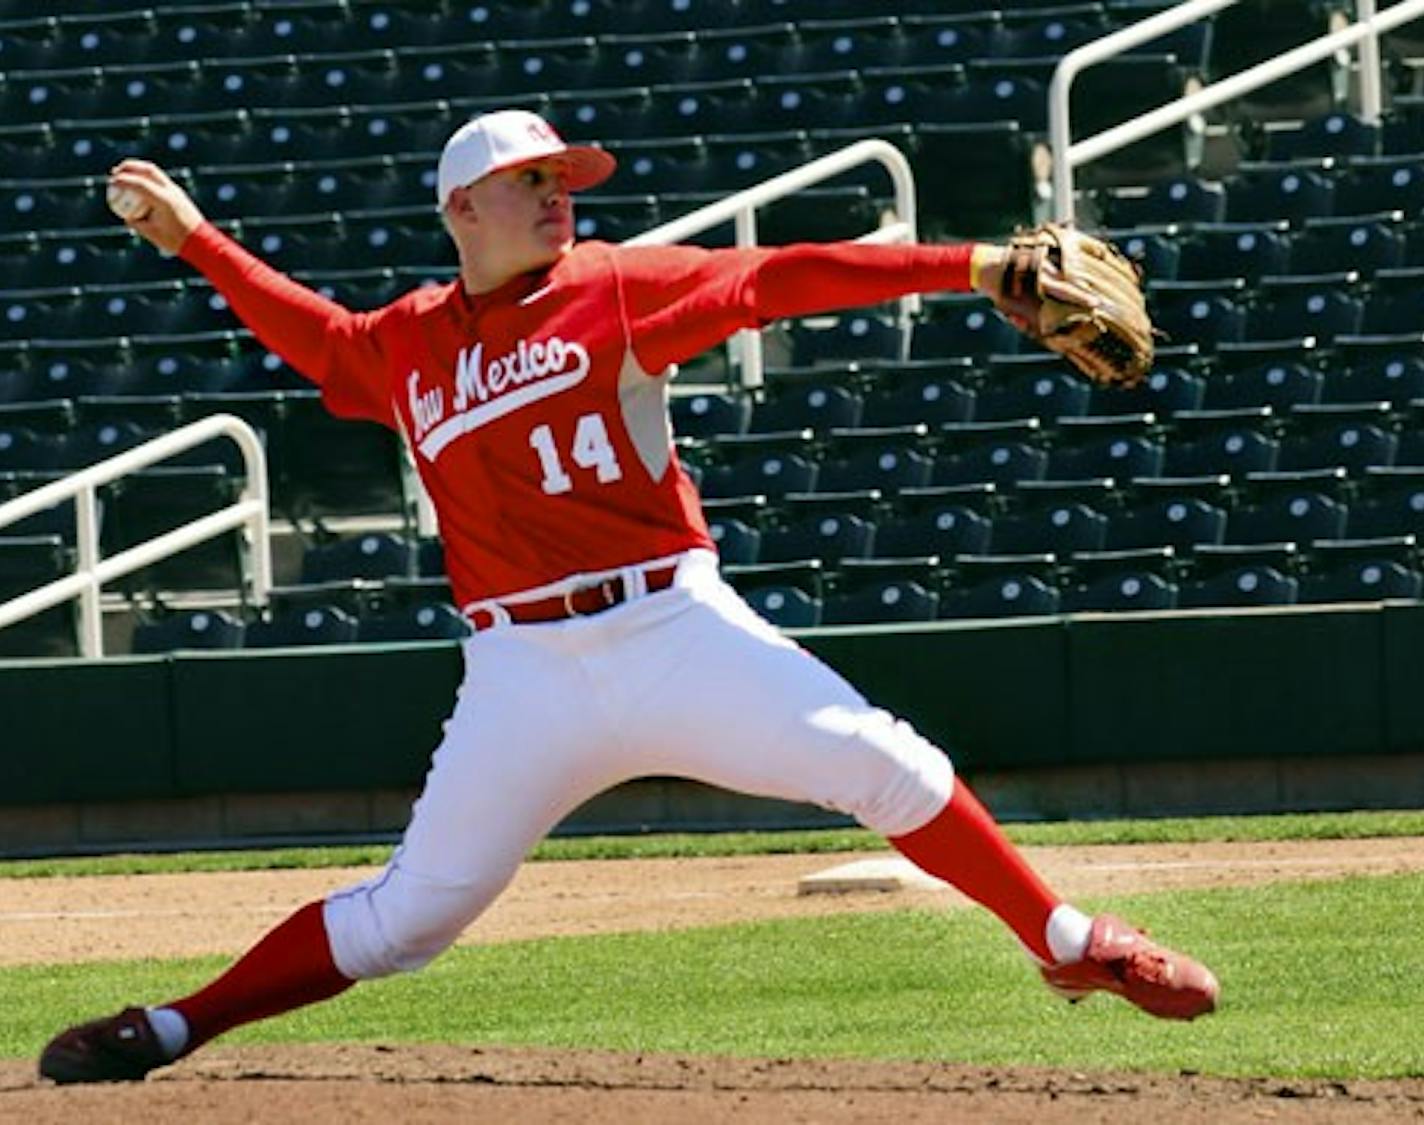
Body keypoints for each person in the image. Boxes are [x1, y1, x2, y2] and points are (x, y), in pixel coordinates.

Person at [40, 110, 1217, 1084]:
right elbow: (320, 340)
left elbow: (775, 281)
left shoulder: (611, 287)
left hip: (668, 627)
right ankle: (174, 1026)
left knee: (884, 762)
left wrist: (970, 266)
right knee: (405, 922)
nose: (557, 194)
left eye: (563, 178)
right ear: (462, 209)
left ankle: (1070, 941)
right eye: (529, 180)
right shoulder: (407, 343)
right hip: (521, 673)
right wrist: (196, 240)